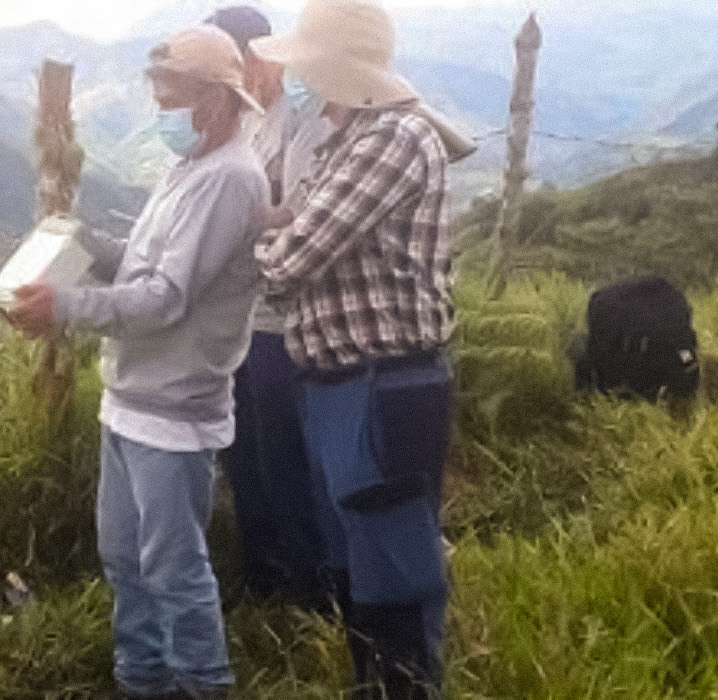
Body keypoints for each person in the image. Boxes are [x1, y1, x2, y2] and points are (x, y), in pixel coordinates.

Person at [6, 25, 270, 700]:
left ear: (215, 97)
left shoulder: (231, 180)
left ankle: (202, 683)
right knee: (125, 557)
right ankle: (142, 678)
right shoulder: (188, 168)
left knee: (174, 566)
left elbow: (164, 298)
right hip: (129, 400)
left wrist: (64, 306)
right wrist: (89, 244)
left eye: (171, 95)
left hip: (174, 411)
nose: (162, 111)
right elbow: (147, 261)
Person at [251, 0, 456, 697]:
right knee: (356, 557)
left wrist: (267, 239)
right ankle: (373, 683)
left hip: (382, 383)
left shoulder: (390, 139)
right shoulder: (347, 140)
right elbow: (289, 227)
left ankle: (405, 687)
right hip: (340, 384)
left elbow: (289, 259)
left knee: (393, 561)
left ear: (333, 67)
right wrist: (277, 230)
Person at [204, 4, 346, 611]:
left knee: (286, 459)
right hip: (237, 323)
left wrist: (230, 231)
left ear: (261, 58)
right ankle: (263, 580)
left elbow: (302, 222)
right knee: (246, 459)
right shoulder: (239, 132)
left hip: (281, 327)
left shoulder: (301, 130)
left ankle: (308, 591)